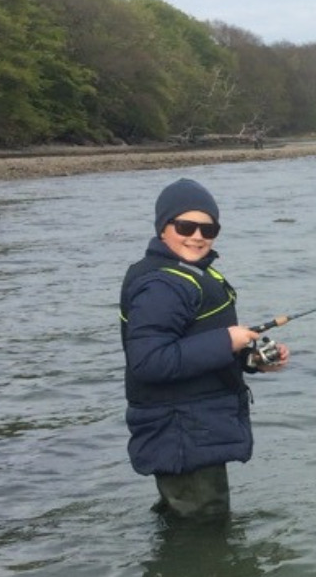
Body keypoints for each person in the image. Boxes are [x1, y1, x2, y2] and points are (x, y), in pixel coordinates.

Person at [119, 178, 290, 520]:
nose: (197, 236)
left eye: (208, 229)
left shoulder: (190, 274)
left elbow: (192, 343)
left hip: (195, 430)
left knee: (183, 521)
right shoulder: (160, 285)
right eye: (186, 227)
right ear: (163, 228)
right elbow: (149, 361)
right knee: (204, 528)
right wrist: (226, 341)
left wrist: (250, 359)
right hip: (181, 432)